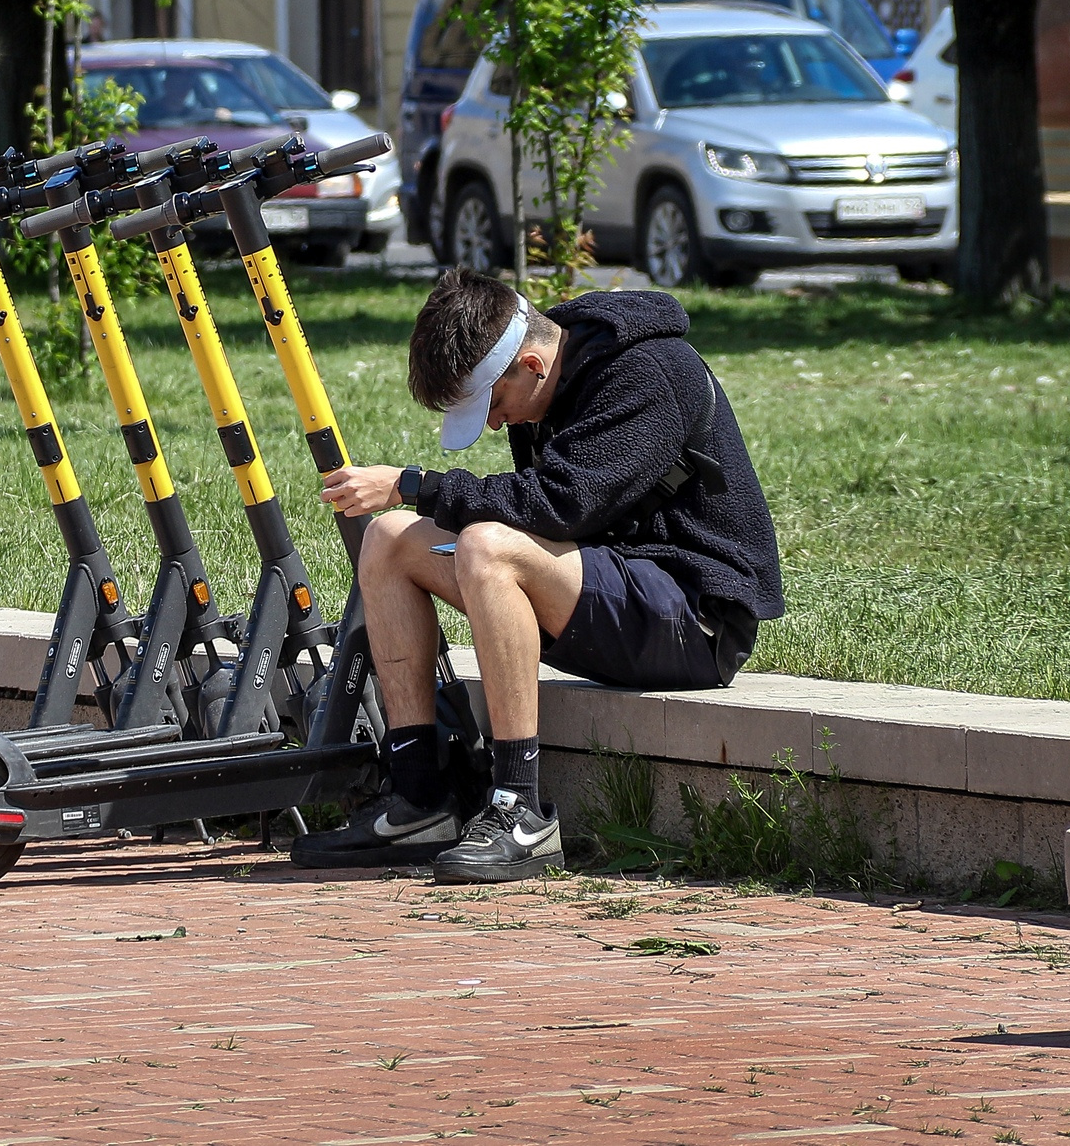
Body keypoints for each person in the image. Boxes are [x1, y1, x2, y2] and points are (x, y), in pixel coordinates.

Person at [297, 269, 783, 883]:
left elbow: (560, 505)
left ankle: (520, 810)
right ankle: (421, 800)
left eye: (493, 406)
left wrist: (413, 484)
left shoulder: (645, 373)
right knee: (390, 538)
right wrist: (409, 503)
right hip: (615, 590)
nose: (496, 426)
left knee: (488, 547)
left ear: (530, 363)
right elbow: (555, 519)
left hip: (696, 617)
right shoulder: (552, 377)